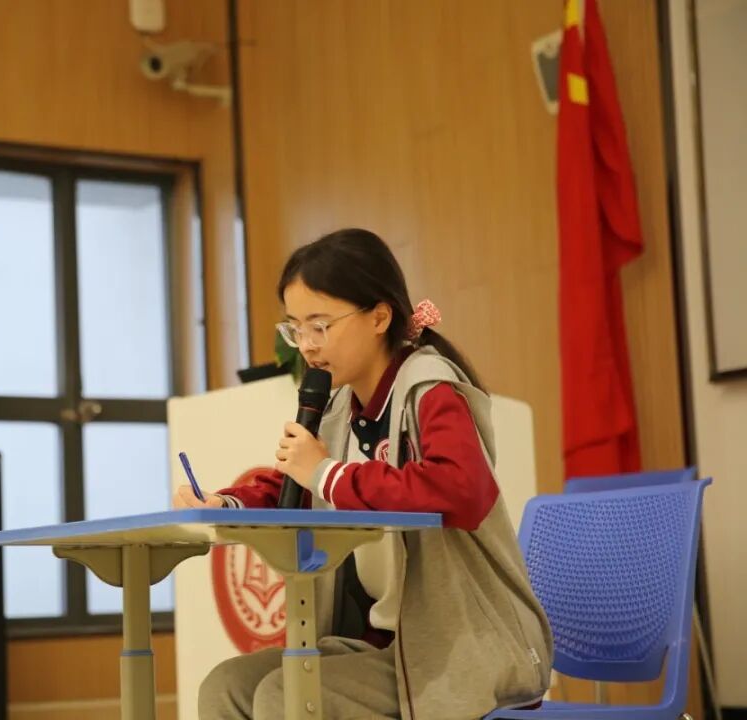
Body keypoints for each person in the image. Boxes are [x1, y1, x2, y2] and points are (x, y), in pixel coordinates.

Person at [174, 228, 553, 719]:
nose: (307, 346)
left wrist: (328, 474)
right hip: (387, 646)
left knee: (285, 697)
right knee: (225, 687)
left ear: (379, 317)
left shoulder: (431, 389)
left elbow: (459, 489)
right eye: (295, 329)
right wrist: (225, 503)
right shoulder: (338, 405)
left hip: (467, 647)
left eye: (320, 326)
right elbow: (294, 484)